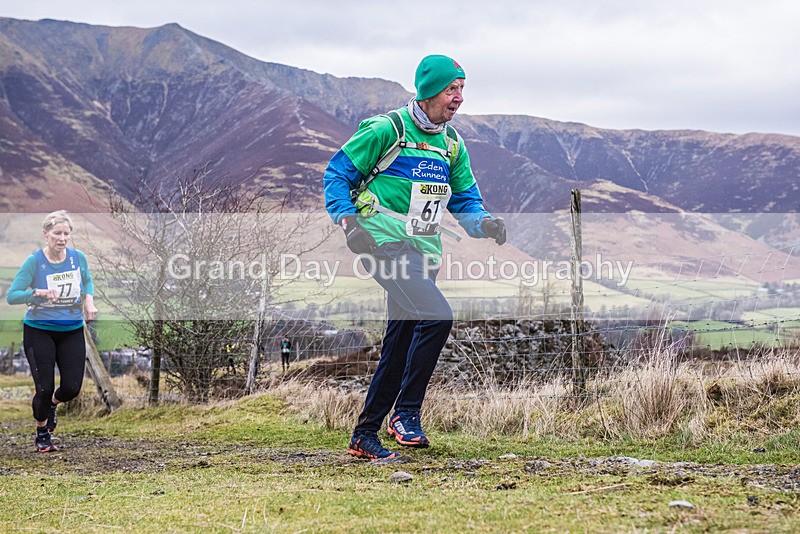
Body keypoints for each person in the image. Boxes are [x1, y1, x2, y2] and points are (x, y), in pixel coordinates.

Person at [323, 54, 507, 460]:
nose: (459, 98)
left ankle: (364, 435)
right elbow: (336, 174)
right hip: (381, 241)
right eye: (451, 89)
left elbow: (465, 201)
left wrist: (486, 224)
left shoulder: (452, 145)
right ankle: (405, 413)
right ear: (428, 92)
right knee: (437, 317)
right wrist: (348, 222)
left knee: (401, 338)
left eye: (462, 89)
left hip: (425, 250)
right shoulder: (387, 129)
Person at [6, 211, 97, 452]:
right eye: (57, 233)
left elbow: (87, 281)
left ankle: (53, 406)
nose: (62, 238)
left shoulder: (78, 258)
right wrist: (36, 293)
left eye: (67, 234)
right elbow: (12, 296)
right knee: (44, 388)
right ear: (46, 234)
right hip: (39, 331)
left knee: (71, 387)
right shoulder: (34, 262)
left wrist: (89, 301)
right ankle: (42, 432)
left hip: (71, 329)